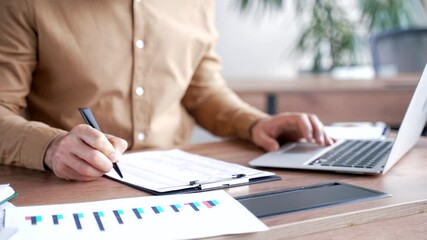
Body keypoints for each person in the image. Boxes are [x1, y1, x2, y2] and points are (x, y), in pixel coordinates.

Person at [0, 0, 333, 181]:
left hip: (180, 181)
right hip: (72, 185)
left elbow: (202, 90)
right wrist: (52, 146)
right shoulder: (24, 4)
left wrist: (254, 123)